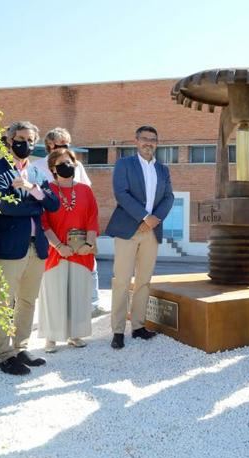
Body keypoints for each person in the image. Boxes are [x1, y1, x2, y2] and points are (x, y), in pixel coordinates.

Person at [0, 121, 60, 375]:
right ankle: (5, 355)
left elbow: (54, 204)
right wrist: (37, 203)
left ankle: (21, 347)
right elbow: (3, 206)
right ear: (9, 139)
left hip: (35, 247)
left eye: (30, 140)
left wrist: (31, 189)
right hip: (8, 247)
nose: (25, 144)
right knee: (3, 302)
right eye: (20, 138)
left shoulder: (37, 173)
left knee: (27, 300)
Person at [106, 126, 174, 349]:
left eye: (153, 139)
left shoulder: (163, 169)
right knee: (122, 281)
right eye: (145, 139)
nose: (149, 143)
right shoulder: (125, 164)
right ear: (136, 141)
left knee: (144, 281)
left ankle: (138, 327)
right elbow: (121, 193)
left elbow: (169, 197)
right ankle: (117, 331)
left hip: (151, 232)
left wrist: (155, 219)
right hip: (128, 229)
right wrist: (144, 217)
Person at [37, 128, 106, 318]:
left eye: (68, 145)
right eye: (62, 145)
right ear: (50, 145)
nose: (66, 148)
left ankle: (92, 306)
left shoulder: (77, 166)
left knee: (87, 273)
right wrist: (58, 245)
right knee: (54, 281)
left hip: (81, 235)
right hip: (54, 238)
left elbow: (87, 198)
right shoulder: (37, 168)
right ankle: (54, 327)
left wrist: (89, 241)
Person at [37, 148, 99, 353]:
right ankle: (51, 337)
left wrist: (89, 245)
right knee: (54, 294)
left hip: (81, 250)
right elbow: (43, 222)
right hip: (56, 251)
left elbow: (92, 218)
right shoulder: (46, 190)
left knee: (78, 293)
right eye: (61, 163)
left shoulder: (85, 190)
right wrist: (58, 246)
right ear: (53, 168)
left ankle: (75, 334)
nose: (67, 166)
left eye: (70, 161)